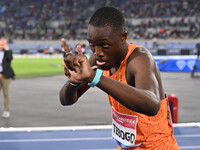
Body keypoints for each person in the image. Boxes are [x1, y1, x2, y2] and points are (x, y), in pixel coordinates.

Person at [59, 7, 179, 149]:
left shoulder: (139, 59)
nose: (98, 52)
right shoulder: (99, 59)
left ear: (123, 37)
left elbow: (152, 105)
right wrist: (73, 82)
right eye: (92, 44)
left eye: (104, 44)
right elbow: (66, 100)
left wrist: (95, 78)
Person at [0, 39, 15, 118]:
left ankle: (6, 111)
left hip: (5, 76)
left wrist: (7, 49)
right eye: (0, 44)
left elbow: (10, 58)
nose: (1, 46)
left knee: (6, 94)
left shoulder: (8, 52)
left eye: (3, 44)